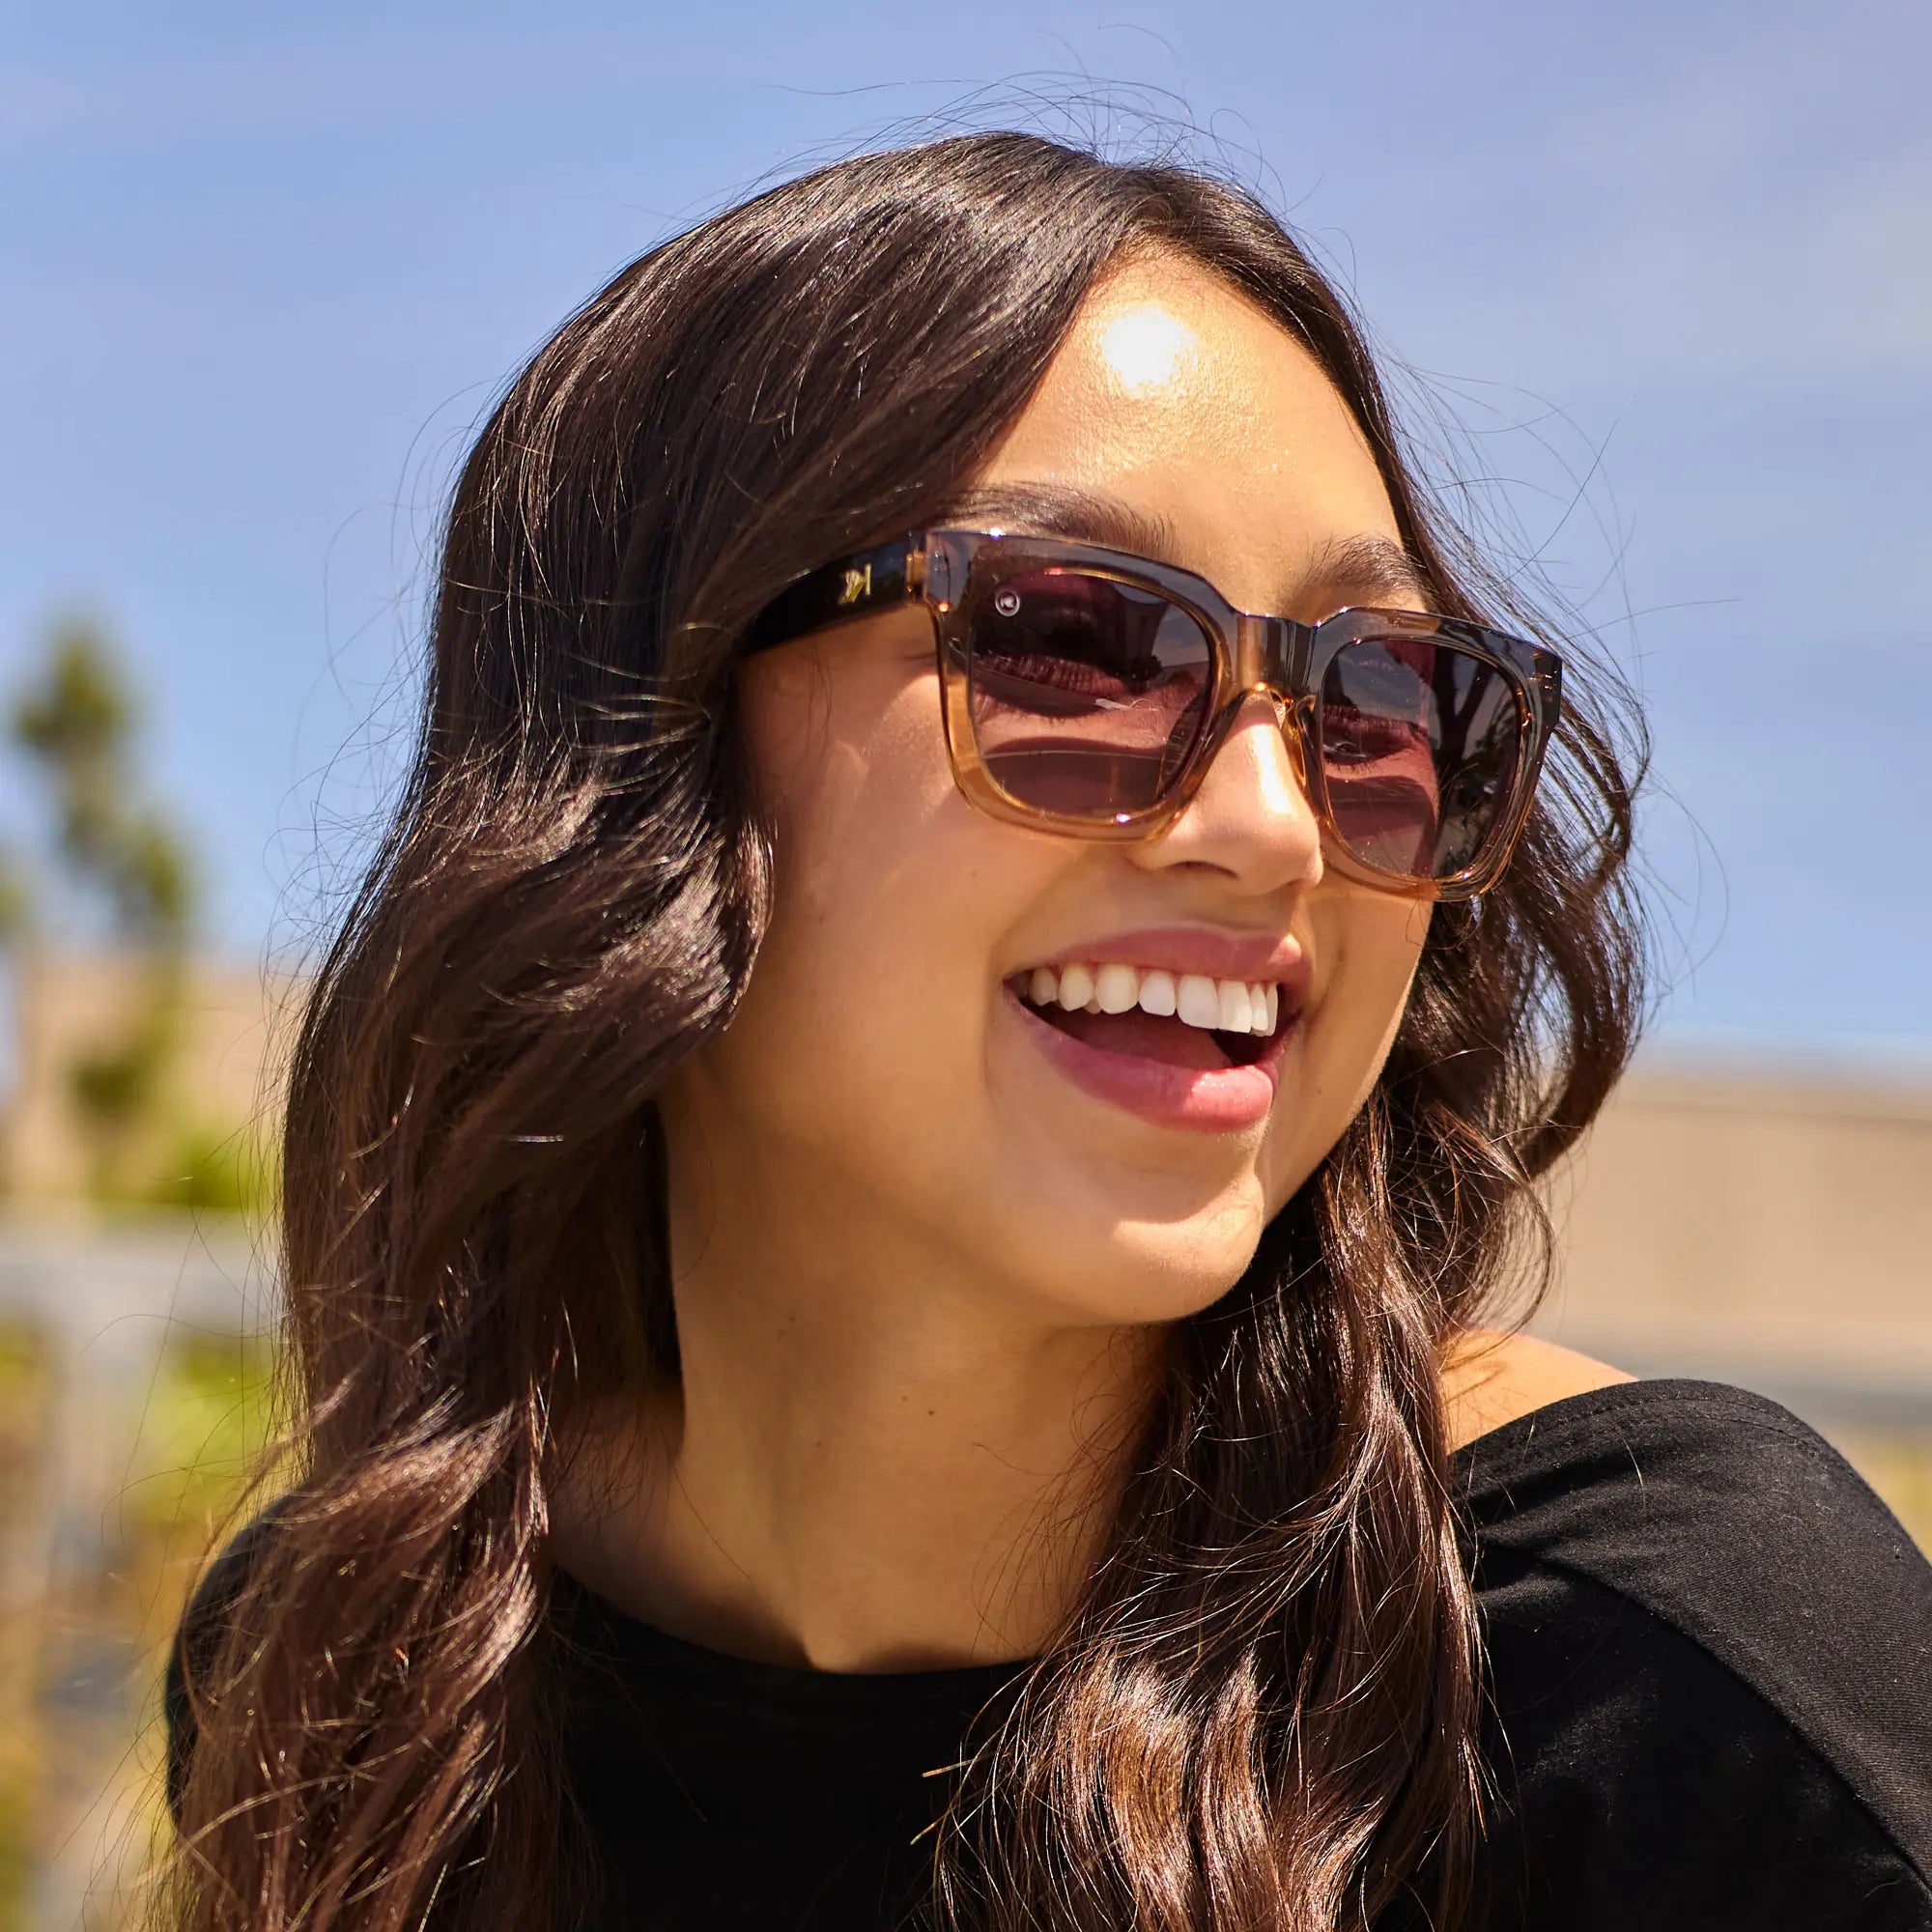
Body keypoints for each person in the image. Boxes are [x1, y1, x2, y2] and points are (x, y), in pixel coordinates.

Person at [161, 131, 1932, 1932]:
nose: (1271, 821)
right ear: (645, 745)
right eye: (1076, 647)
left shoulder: (1668, 1667)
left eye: (1386, 698)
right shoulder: (372, 1670)